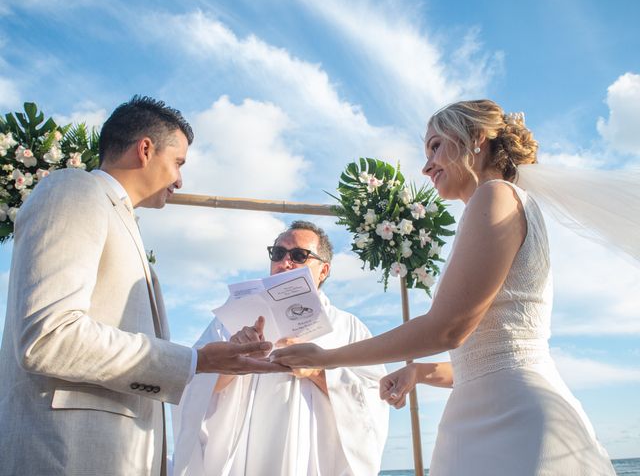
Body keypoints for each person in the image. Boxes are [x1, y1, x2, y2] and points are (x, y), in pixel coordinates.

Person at [272, 100, 617, 475]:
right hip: (483, 414)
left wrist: (324, 358)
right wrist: (418, 372)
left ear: (476, 139)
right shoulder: (498, 203)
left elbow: (448, 329)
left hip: (512, 423)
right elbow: (485, 355)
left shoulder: (495, 195)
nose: (426, 165)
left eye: (436, 145)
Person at [0, 96, 284, 476]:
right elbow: (48, 336)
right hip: (67, 454)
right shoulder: (74, 191)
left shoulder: (121, 220)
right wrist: (197, 361)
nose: (181, 180)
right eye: (178, 163)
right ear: (145, 149)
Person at [171, 221, 389, 476]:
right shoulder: (229, 322)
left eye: (299, 256)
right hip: (243, 459)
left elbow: (374, 396)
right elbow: (191, 385)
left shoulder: (348, 328)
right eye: (278, 253)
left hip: (313, 461)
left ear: (323, 271)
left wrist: (318, 372)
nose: (285, 263)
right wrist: (232, 361)